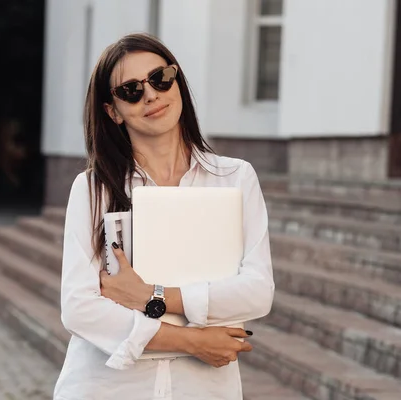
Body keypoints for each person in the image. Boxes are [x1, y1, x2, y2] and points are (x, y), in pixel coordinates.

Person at [54, 33, 275, 400]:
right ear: (113, 111)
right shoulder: (95, 188)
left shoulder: (235, 178)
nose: (151, 95)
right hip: (106, 388)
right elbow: (79, 308)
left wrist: (151, 296)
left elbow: (256, 292)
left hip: (203, 390)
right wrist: (191, 340)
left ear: (177, 82)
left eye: (160, 78)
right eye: (131, 90)